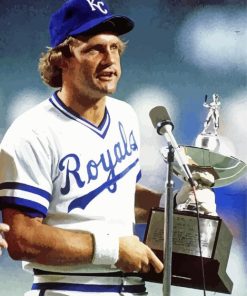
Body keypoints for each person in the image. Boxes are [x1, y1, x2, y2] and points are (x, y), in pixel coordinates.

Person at [0, 0, 216, 295]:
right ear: (61, 59)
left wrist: (176, 205)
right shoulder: (32, 131)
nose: (109, 60)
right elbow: (22, 238)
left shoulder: (125, 116)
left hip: (131, 288)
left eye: (114, 48)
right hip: (67, 289)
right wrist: (111, 249)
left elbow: (118, 197)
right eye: (94, 49)